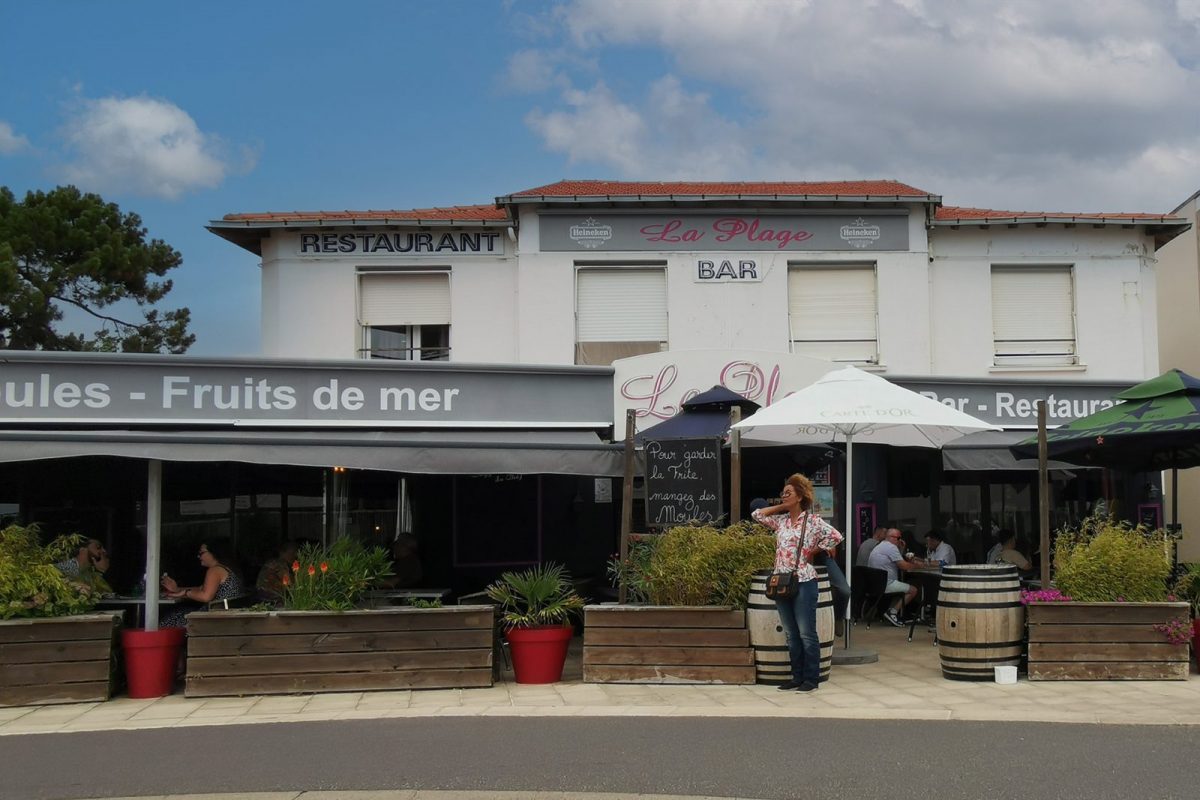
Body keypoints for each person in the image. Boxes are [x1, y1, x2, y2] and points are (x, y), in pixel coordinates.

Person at [751, 472, 843, 693]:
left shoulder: (812, 522)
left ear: (800, 496)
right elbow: (757, 514)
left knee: (806, 633)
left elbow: (836, 537)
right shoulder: (781, 521)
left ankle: (811, 679)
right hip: (780, 580)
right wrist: (782, 507)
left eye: (789, 492)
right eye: (783, 492)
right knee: (791, 633)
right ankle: (796, 676)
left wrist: (815, 549)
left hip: (804, 580)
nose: (784, 495)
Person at [159, 541, 244, 628]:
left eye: (201, 552)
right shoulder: (225, 569)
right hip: (220, 615)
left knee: (168, 618)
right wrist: (177, 590)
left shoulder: (215, 570)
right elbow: (200, 589)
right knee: (177, 613)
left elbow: (205, 596)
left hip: (211, 619)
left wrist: (185, 593)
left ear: (213, 553)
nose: (198, 556)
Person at [867, 527, 920, 626]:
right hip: (886, 584)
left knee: (903, 587)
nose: (900, 540)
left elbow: (896, 560)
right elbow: (903, 566)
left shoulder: (880, 545)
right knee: (913, 590)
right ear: (891, 537)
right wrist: (917, 566)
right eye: (898, 538)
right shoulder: (891, 547)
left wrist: (901, 549)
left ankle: (894, 612)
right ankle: (893, 612)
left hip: (875, 584)